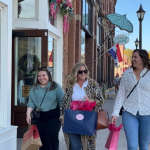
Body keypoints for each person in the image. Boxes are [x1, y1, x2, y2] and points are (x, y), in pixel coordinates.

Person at [111, 49, 150, 150]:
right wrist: (115, 113)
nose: (132, 59)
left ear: (143, 58)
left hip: (147, 113)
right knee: (132, 146)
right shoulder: (127, 74)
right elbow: (121, 94)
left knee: (144, 146)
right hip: (129, 112)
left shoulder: (149, 74)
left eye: (135, 57)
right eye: (132, 57)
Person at [60, 63, 104, 150]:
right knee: (75, 146)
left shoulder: (92, 84)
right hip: (72, 119)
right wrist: (62, 116)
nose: (83, 73)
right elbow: (64, 101)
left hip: (88, 120)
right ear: (75, 72)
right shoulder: (71, 84)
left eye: (85, 71)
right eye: (80, 72)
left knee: (88, 147)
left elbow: (101, 99)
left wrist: (91, 101)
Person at [26, 67, 64, 150]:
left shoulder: (55, 86)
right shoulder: (34, 88)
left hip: (54, 115)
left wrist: (63, 115)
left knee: (51, 136)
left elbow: (62, 101)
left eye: (44, 75)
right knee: (42, 139)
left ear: (48, 76)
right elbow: (31, 103)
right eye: (39, 76)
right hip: (40, 116)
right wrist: (28, 114)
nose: (41, 78)